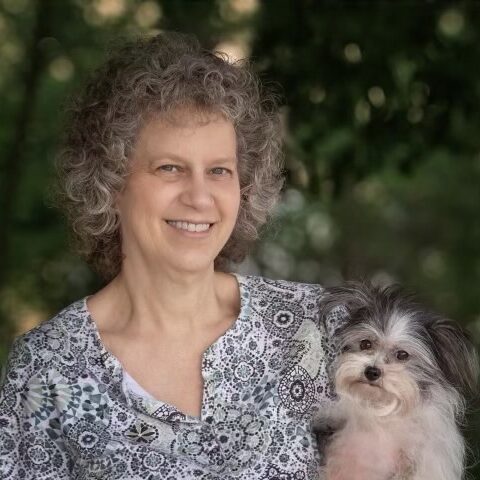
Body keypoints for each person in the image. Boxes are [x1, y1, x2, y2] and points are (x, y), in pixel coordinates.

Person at [0, 32, 338, 479]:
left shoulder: (316, 327)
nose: (199, 197)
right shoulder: (47, 371)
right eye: (170, 168)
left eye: (219, 170)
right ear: (110, 184)